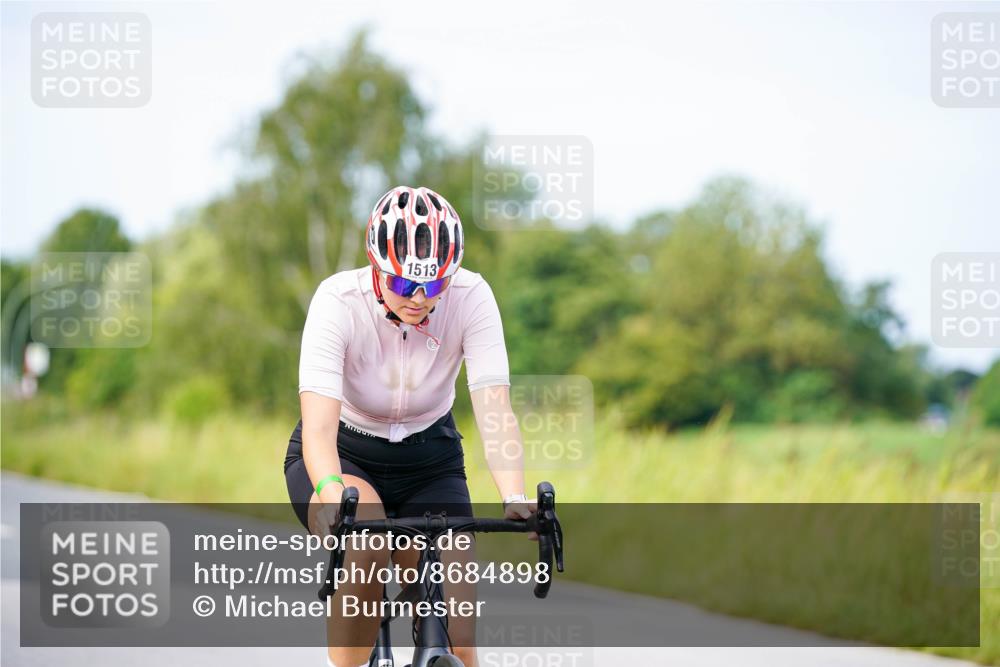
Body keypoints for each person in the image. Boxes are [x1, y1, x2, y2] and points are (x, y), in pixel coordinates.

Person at [283, 185, 533, 667]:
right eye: (403, 284)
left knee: (461, 637)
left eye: (434, 285)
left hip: (430, 462)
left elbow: (495, 408)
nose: (419, 298)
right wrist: (332, 494)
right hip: (345, 454)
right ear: (377, 267)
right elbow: (317, 428)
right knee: (368, 543)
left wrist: (515, 496)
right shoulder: (337, 301)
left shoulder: (472, 297)